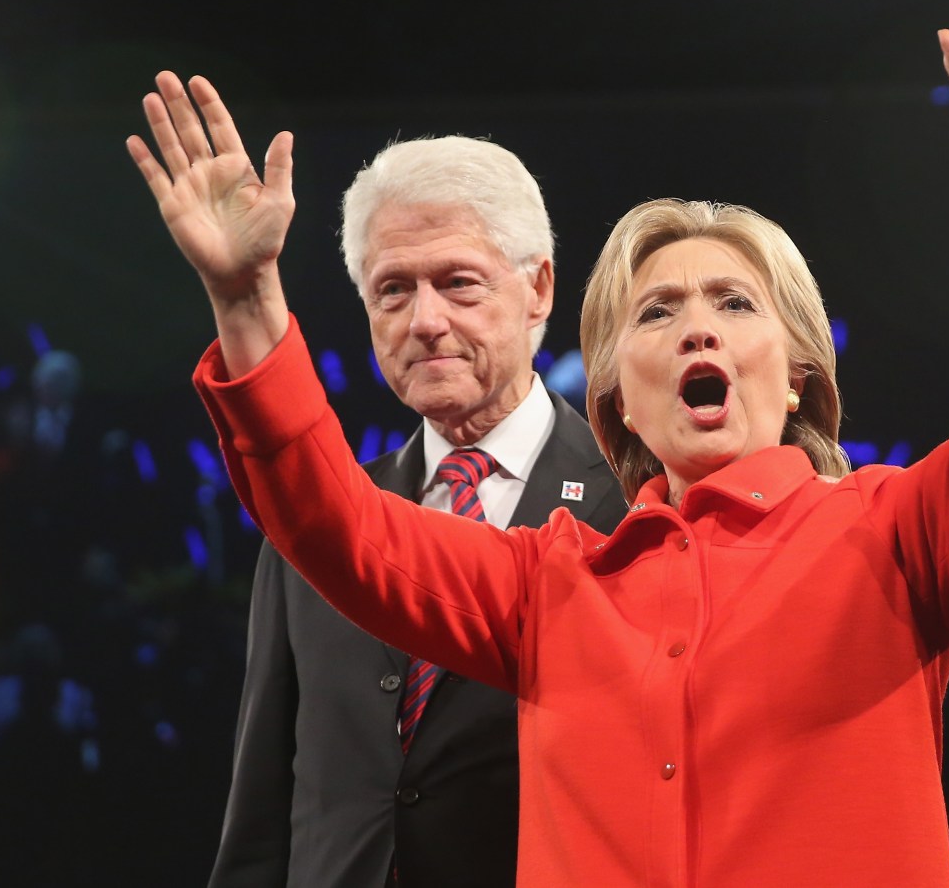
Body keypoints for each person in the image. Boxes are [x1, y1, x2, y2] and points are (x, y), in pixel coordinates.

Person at [130, 0, 949, 887]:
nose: (697, 327)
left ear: (796, 374)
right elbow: (334, 525)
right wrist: (247, 301)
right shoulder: (550, 586)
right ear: (617, 393)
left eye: (733, 303)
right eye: (657, 312)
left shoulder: (894, 534)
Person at [132, 118, 627, 883]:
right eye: (393, 289)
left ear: (538, 290)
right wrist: (243, 296)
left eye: (458, 282)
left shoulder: (634, 512)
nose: (425, 322)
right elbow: (263, 806)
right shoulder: (312, 525)